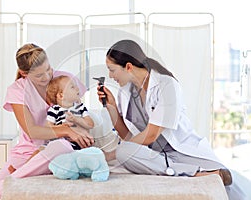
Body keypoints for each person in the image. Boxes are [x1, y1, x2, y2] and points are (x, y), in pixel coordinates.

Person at [97, 39, 247, 200]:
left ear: (128, 67)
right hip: (154, 155)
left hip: (180, 151)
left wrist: (112, 154)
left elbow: (151, 135)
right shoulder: (125, 91)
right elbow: (126, 135)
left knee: (232, 189)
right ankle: (192, 173)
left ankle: (193, 172)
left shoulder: (166, 85)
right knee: (124, 151)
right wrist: (111, 106)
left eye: (112, 70)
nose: (110, 76)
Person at [0, 43, 94, 200]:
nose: (46, 77)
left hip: (60, 148)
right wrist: (66, 130)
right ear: (24, 73)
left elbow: (78, 109)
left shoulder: (64, 79)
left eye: (48, 69)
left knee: (61, 146)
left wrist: (79, 128)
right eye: (39, 75)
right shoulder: (17, 90)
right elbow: (32, 131)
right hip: (28, 151)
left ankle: (14, 177)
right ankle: (9, 181)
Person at [44, 75, 94, 149]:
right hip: (61, 145)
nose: (77, 88)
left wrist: (77, 119)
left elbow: (90, 124)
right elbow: (48, 129)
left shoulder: (80, 107)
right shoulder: (54, 110)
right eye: (72, 87)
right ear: (61, 95)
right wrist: (61, 127)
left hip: (80, 144)